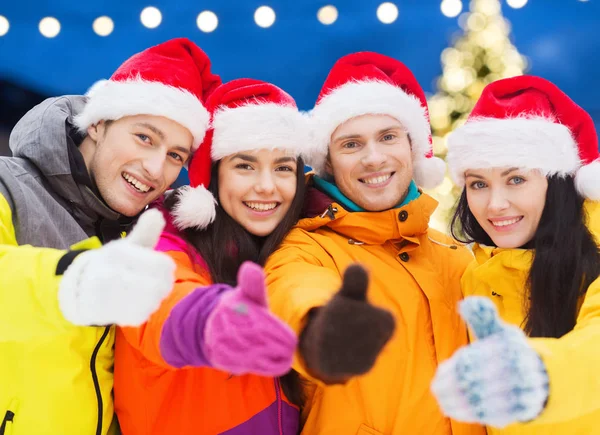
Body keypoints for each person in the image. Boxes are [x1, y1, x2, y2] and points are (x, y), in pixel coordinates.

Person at [0, 38, 221, 435]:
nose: (155, 168)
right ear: (98, 124)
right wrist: (76, 277)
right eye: (145, 138)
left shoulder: (155, 228)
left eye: (176, 156)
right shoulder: (7, 186)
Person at [264, 52, 486, 434]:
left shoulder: (456, 257)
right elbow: (293, 292)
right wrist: (321, 327)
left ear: (412, 148)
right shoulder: (306, 250)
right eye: (351, 144)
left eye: (387, 137)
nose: (373, 158)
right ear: (328, 163)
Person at [114, 78, 313, 435]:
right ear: (214, 177)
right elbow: (161, 300)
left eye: (283, 168)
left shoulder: (293, 252)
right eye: (245, 166)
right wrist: (214, 320)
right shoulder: (164, 243)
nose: (267, 186)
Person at [431, 75, 600, 434]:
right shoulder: (477, 278)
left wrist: (535, 378)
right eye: (478, 183)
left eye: (516, 179)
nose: (495, 204)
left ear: (557, 182)